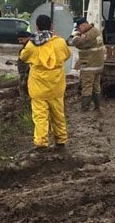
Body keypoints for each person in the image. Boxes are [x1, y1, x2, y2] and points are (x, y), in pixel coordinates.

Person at [20, 14, 71, 150]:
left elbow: (23, 57)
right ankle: (60, 140)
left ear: (36, 27)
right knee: (58, 114)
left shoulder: (31, 45)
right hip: (56, 86)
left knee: (40, 116)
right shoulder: (59, 42)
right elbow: (67, 55)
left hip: (38, 87)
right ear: (51, 26)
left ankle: (41, 143)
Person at [73, 17, 105, 112]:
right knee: (96, 86)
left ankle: (85, 108)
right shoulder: (96, 31)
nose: (79, 31)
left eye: (79, 29)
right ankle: (97, 107)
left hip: (89, 66)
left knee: (87, 87)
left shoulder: (89, 34)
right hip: (97, 65)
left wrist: (75, 36)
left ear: (83, 25)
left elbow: (78, 43)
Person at [17, 29, 32, 108]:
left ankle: (26, 106)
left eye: (21, 39)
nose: (20, 42)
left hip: (27, 73)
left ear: (28, 37)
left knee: (24, 89)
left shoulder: (30, 47)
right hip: (23, 72)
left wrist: (25, 74)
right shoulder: (25, 47)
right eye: (19, 40)